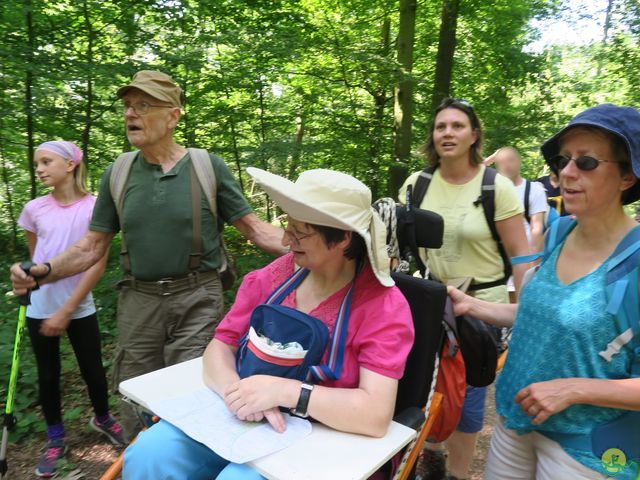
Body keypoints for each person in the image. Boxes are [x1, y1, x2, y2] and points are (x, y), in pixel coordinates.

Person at [10, 70, 287, 439]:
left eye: (143, 105)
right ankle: (139, 462)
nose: (130, 114)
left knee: (193, 393)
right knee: (136, 397)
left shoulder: (207, 167)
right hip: (138, 303)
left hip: (197, 298)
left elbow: (256, 230)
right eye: (127, 105)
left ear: (173, 115)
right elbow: (93, 246)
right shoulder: (119, 173)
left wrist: (322, 240)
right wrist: (44, 270)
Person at [122, 168, 415, 479]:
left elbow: (374, 414)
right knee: (150, 453)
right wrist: (238, 395)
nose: (287, 240)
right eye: (288, 226)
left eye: (301, 232)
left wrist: (286, 392)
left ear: (343, 237)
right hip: (248, 418)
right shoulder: (276, 277)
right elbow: (220, 347)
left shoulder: (382, 307)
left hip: (328, 439)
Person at [448, 103, 640, 479]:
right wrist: (471, 305)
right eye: (563, 160)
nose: (565, 173)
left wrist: (572, 389)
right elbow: (541, 316)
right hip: (514, 422)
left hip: (586, 445)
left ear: (627, 176)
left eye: (586, 162)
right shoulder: (558, 233)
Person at [398, 98, 529, 480]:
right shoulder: (417, 184)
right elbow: (395, 249)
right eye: (441, 127)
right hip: (430, 304)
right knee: (426, 385)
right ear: (432, 136)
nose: (448, 133)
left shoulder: (496, 187)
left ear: (474, 135)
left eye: (457, 126)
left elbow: (520, 254)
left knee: (467, 397)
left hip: (482, 309)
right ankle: (433, 457)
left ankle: (458, 473)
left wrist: (526, 314)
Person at [18, 141, 125, 478]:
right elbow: (38, 263)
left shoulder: (97, 208)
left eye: (46, 161)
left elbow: (96, 262)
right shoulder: (34, 209)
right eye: (37, 163)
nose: (39, 169)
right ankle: (55, 437)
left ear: (70, 164)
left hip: (79, 306)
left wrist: (67, 308)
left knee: (93, 370)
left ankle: (103, 418)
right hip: (39, 307)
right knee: (47, 375)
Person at [490, 147, 548, 302]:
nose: (507, 165)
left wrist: (535, 263)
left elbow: (537, 228)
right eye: (501, 162)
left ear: (519, 162)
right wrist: (488, 160)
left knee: (521, 306)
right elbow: (469, 175)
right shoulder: (489, 190)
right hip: (496, 262)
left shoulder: (534, 189)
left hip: (524, 260)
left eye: (511, 160)